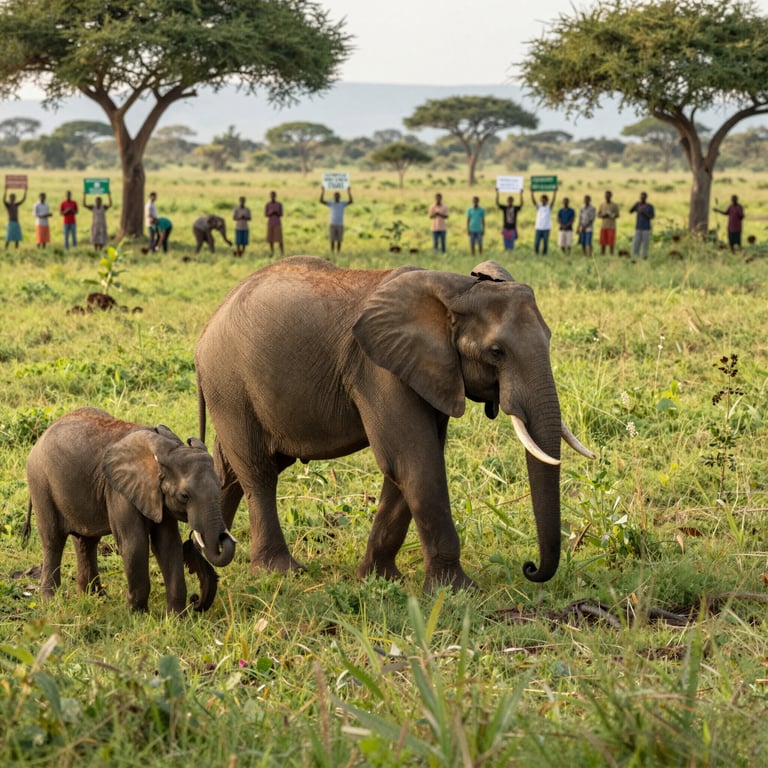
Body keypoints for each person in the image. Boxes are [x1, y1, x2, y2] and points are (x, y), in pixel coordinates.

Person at [320, 186, 353, 253]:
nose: (336, 197)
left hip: (340, 224)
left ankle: (338, 252)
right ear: (334, 197)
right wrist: (323, 191)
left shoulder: (342, 203)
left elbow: (351, 201)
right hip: (332, 223)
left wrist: (348, 191)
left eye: (337, 196)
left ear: (340, 197)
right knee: (332, 239)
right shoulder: (331, 203)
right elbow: (321, 201)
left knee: (339, 240)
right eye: (335, 196)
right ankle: (332, 252)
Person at [531, 187, 557, 255]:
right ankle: (536, 253)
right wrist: (532, 192)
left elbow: (553, 201)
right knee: (537, 242)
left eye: (544, 200)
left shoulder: (549, 207)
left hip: (546, 228)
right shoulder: (539, 206)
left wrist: (554, 192)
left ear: (547, 200)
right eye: (542, 200)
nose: (543, 201)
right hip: (538, 227)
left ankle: (544, 254)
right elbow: (533, 201)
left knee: (545, 242)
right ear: (540, 200)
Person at [629, 191, 655, 259]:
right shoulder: (637, 205)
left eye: (643, 197)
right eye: (641, 197)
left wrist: (644, 212)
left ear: (646, 198)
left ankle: (644, 256)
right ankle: (635, 256)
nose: (642, 198)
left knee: (645, 243)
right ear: (639, 197)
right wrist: (635, 205)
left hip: (646, 228)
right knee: (636, 242)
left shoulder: (650, 206)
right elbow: (630, 211)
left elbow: (652, 217)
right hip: (638, 227)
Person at [597, 190, 620, 255]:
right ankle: (602, 254)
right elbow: (598, 215)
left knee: (611, 242)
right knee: (603, 242)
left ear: (611, 196)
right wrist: (603, 215)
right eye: (606, 195)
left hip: (611, 226)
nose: (607, 197)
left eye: (608, 195)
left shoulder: (614, 205)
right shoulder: (602, 204)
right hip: (603, 226)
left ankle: (611, 254)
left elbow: (617, 215)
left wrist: (611, 215)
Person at [264, 190, 283, 256]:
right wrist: (271, 213)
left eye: (273, 195)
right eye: (271, 195)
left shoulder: (279, 204)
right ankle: (272, 252)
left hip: (277, 223)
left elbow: (281, 214)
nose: (272, 197)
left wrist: (276, 213)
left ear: (275, 196)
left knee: (279, 239)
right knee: (270, 239)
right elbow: (266, 214)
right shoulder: (268, 204)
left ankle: (282, 252)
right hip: (270, 222)